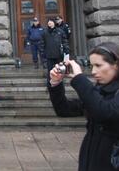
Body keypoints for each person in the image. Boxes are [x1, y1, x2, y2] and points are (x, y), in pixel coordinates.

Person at [48, 42, 119, 171]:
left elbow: (105, 113)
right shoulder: (99, 91)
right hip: (90, 159)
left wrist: (80, 78)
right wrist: (55, 83)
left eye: (98, 65)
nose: (93, 71)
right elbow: (64, 109)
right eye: (92, 66)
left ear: (116, 65)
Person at [41, 19, 69, 83]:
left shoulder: (60, 31)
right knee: (50, 70)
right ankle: (50, 83)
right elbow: (42, 44)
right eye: (48, 22)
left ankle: (60, 82)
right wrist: (42, 53)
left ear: (54, 23)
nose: (49, 23)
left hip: (58, 54)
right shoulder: (44, 32)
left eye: (51, 22)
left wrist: (66, 50)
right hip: (49, 55)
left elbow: (64, 41)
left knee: (59, 69)